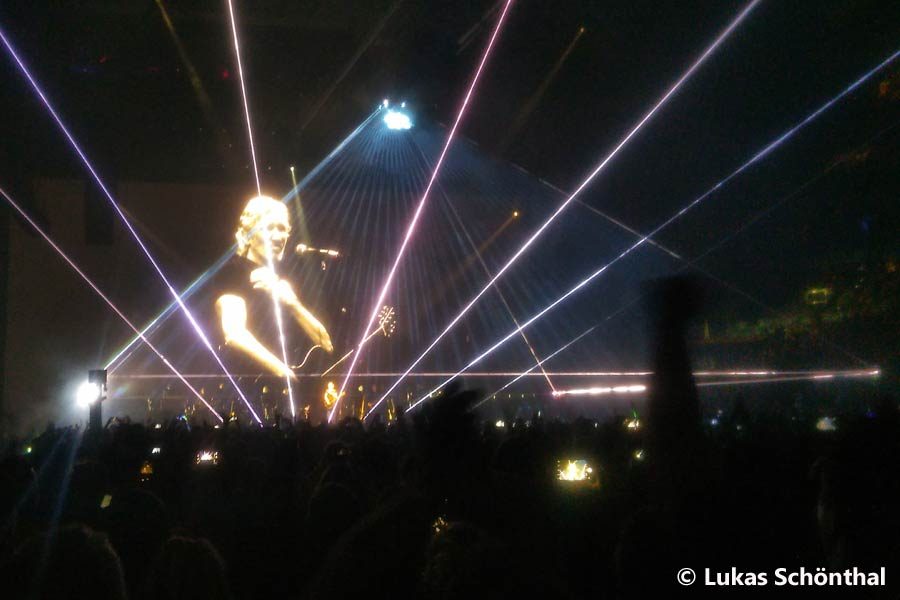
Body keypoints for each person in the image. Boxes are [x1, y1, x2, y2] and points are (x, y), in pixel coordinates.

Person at [216, 195, 333, 378]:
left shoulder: (284, 280)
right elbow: (234, 334)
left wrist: (292, 304)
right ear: (249, 233)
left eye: (283, 229)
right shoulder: (234, 273)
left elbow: (326, 345)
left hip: (288, 395)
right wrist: (284, 373)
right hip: (244, 389)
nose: (278, 237)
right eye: (269, 228)